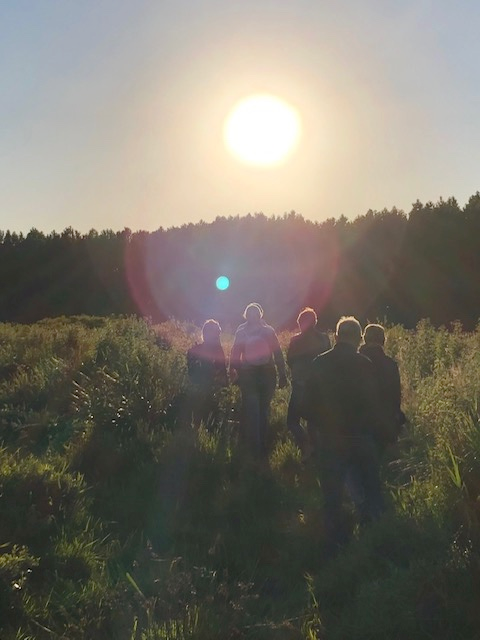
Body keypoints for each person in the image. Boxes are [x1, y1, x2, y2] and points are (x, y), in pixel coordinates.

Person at [304, 316, 387, 552]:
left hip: (330, 437)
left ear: (337, 336)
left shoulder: (319, 363)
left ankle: (334, 546)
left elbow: (308, 404)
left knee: (332, 495)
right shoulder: (366, 364)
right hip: (362, 436)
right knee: (371, 489)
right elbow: (375, 403)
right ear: (360, 337)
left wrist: (315, 433)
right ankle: (375, 543)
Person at [230, 303, 287, 457]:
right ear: (246, 315)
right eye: (251, 313)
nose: (253, 315)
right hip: (253, 374)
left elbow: (277, 352)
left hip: (263, 374)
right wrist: (235, 371)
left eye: (255, 313)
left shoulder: (267, 331)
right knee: (256, 411)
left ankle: (259, 446)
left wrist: (282, 374)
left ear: (260, 314)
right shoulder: (245, 332)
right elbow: (235, 353)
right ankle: (257, 448)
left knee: (261, 410)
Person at [286, 307, 330, 453]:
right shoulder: (324, 339)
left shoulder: (295, 340)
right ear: (315, 322)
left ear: (300, 323)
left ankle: (306, 445)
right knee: (314, 420)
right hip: (320, 385)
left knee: (292, 421)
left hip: (300, 383)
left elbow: (290, 360)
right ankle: (317, 450)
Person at [359, 323, 405, 450]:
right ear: (383, 341)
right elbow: (396, 396)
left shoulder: (354, 361)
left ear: (364, 339)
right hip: (384, 420)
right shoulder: (390, 364)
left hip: (356, 422)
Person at [186, 319, 228, 429]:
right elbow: (222, 372)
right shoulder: (217, 351)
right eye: (217, 334)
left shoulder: (194, 350)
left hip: (197, 390)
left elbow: (189, 373)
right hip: (210, 390)